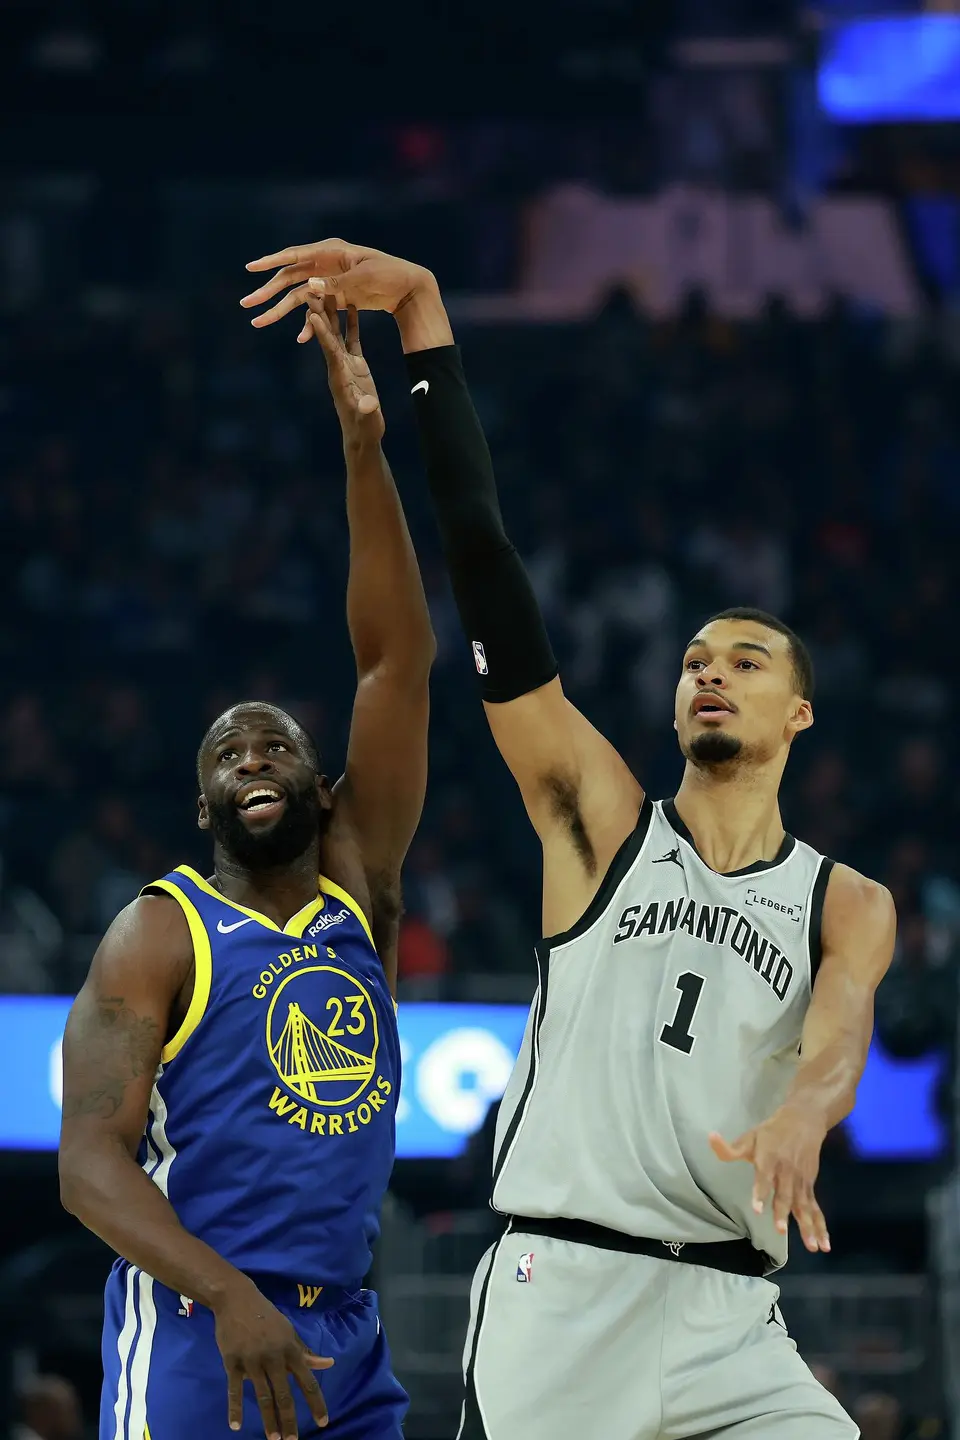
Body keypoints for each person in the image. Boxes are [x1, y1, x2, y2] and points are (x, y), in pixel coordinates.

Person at [247, 240, 897, 1440]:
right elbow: (489, 569)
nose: (711, 674)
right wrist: (427, 327)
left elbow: (842, 1021)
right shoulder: (602, 825)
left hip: (734, 1317)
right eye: (696, 661)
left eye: (746, 663)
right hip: (564, 1294)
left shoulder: (842, 898)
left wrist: (809, 1112)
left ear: (800, 712)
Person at [58, 295, 437, 1440]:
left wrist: (364, 448)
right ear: (207, 798)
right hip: (196, 1321)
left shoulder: (355, 890)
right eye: (229, 749)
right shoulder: (159, 931)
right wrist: (224, 1294)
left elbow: (395, 664)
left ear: (324, 793)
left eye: (278, 741)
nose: (252, 754)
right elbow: (86, 1163)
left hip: (350, 1335)